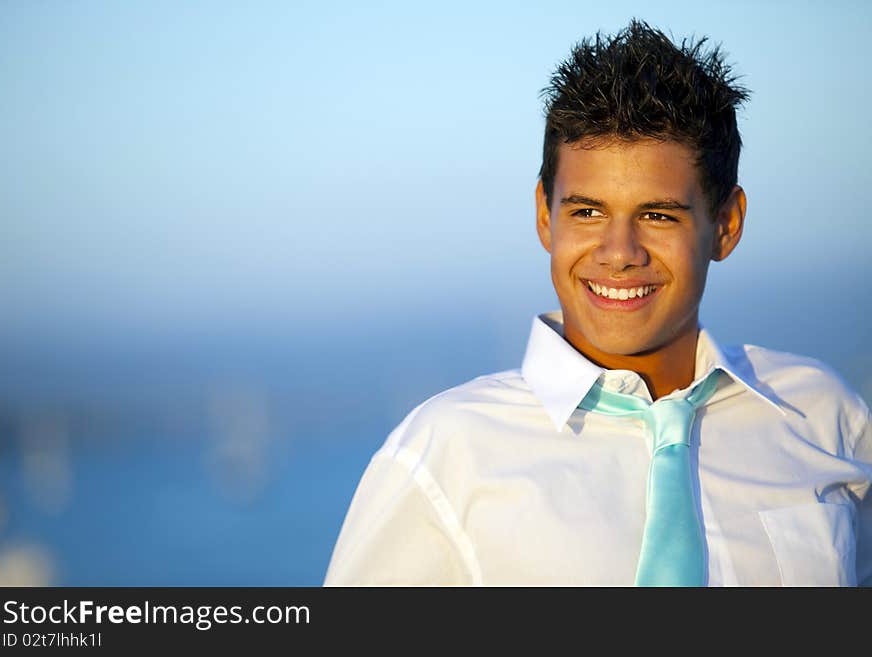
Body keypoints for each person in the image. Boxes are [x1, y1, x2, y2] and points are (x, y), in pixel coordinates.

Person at [323, 20, 872, 586]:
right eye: (587, 212)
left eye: (658, 215)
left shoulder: (824, 418)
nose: (619, 253)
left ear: (726, 225)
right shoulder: (444, 454)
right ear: (545, 214)